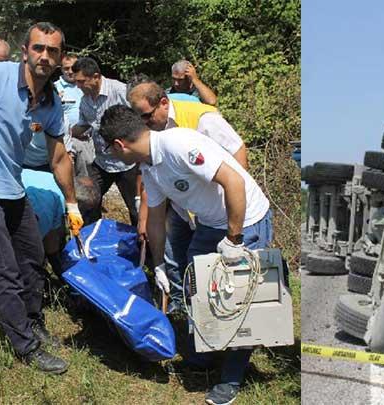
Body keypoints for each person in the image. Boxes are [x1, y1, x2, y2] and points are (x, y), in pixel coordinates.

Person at [99, 105, 272, 405]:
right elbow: (155, 217)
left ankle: (231, 377)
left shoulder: (179, 145)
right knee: (197, 288)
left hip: (244, 219)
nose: (115, 159)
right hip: (209, 223)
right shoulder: (149, 166)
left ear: (119, 144)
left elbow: (235, 181)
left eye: (112, 153)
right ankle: (206, 352)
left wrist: (234, 239)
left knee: (241, 299)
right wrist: (160, 264)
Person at [0, 22, 83, 374]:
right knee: (2, 268)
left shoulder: (52, 101)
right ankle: (25, 346)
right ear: (25, 51)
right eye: (38, 48)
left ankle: (33, 321)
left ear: (60, 58)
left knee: (32, 257)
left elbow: (58, 158)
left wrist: (71, 204)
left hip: (11, 185)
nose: (44, 55)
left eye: (52, 51)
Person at [128, 80, 247, 313]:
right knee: (174, 256)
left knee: (220, 267)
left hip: (218, 209)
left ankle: (217, 314)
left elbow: (237, 150)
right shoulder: (151, 131)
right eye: (138, 119)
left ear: (163, 103)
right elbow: (149, 177)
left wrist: (238, 200)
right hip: (184, 207)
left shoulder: (203, 118)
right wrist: (143, 217)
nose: (144, 124)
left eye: (146, 117)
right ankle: (181, 306)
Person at [70, 57, 139, 226]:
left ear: (95, 76)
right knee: (88, 201)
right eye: (76, 82)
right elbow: (84, 125)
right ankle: (90, 240)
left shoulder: (120, 91)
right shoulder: (85, 100)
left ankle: (144, 247)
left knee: (136, 208)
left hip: (127, 163)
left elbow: (140, 118)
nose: (78, 86)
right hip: (101, 162)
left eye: (81, 82)